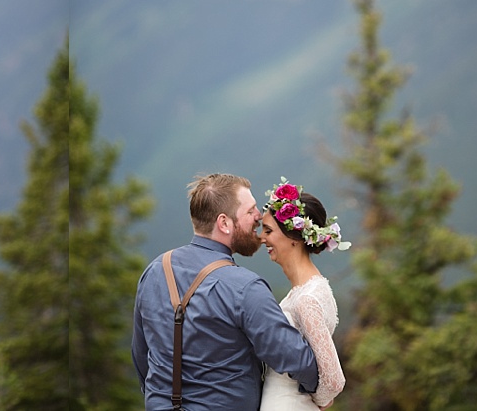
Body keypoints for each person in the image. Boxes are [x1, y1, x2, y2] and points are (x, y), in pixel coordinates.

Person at [132, 173, 319, 411]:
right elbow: (297, 359)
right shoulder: (245, 287)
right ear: (224, 223)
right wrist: (318, 392)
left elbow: (141, 356)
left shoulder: (155, 270)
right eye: (250, 211)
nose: (259, 217)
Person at [259, 177, 349, 410]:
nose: (262, 238)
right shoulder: (308, 289)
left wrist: (313, 402)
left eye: (268, 230)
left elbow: (334, 380)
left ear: (293, 238)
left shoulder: (306, 299)